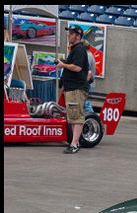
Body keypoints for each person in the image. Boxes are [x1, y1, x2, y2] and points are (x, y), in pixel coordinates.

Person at [57, 25, 89, 154]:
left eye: (71, 33)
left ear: (78, 36)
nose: (69, 35)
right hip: (72, 88)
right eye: (69, 33)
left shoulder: (79, 49)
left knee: (76, 117)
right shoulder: (75, 49)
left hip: (77, 88)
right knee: (73, 116)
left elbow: (77, 68)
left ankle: (74, 144)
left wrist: (63, 65)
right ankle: (74, 143)